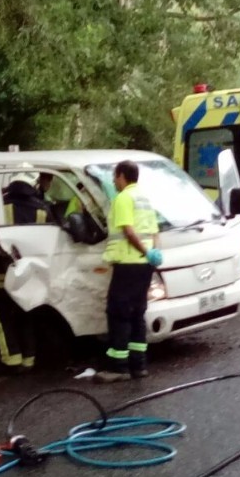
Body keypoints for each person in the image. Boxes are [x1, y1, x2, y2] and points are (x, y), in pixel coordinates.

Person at [0, 165, 51, 374]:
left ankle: (11, 361)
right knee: (27, 314)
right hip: (31, 274)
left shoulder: (1, 205)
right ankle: (29, 360)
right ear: (34, 183)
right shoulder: (43, 208)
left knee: (2, 318)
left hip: (1, 271)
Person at [93, 160, 161, 384]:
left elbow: (128, 231)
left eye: (115, 176)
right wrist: (153, 253)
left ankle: (118, 367)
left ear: (122, 176)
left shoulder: (123, 198)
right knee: (137, 313)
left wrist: (142, 250)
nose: (113, 180)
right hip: (145, 265)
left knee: (118, 314)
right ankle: (138, 365)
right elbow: (154, 231)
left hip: (128, 263)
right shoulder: (144, 198)